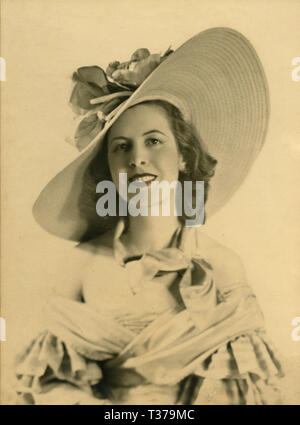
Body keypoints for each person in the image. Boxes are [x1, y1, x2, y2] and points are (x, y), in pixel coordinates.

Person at [15, 27, 284, 405]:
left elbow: (240, 392)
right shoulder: (79, 265)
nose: (137, 158)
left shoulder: (223, 267)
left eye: (154, 141)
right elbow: (50, 388)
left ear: (185, 155)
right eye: (120, 147)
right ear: (107, 168)